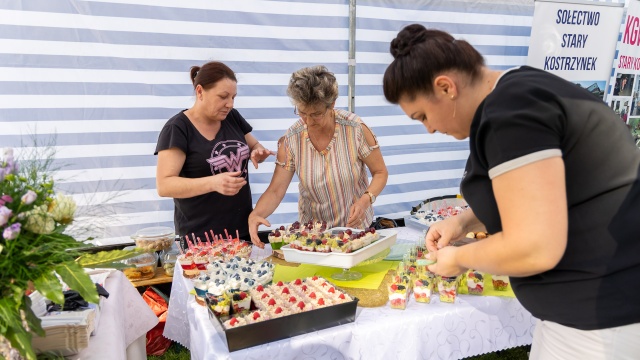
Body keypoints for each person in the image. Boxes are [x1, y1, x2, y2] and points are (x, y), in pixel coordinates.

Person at [383, 24, 640, 359]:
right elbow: (545, 193)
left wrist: (459, 258)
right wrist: (464, 222)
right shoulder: (522, 89)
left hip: (598, 320)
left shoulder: (510, 115)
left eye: (422, 116)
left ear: (445, 87)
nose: (430, 129)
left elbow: (535, 247)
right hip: (592, 312)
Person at [248, 65, 388, 248]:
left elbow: (380, 172)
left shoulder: (355, 130)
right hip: (313, 238)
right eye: (302, 112)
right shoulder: (292, 139)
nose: (308, 121)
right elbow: (275, 191)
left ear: (332, 105)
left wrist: (365, 201)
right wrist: (256, 214)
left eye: (316, 114)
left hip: (355, 233)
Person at [155, 61, 274, 243]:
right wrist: (213, 183)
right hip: (202, 239)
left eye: (233, 97)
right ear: (200, 91)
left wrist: (258, 152)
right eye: (223, 97)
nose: (230, 104)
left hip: (242, 230)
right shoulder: (177, 128)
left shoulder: (232, 117)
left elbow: (254, 145)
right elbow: (164, 186)